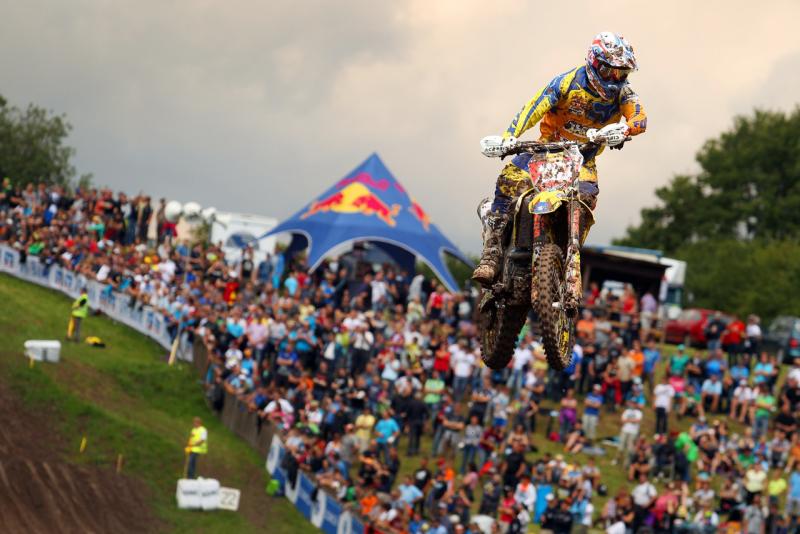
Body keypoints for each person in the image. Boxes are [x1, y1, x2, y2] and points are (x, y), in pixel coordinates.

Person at [472, 31, 647, 284]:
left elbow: (640, 118)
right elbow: (534, 107)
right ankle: (492, 253)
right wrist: (509, 136)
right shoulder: (566, 83)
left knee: (586, 198)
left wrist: (625, 130)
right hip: (545, 151)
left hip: (582, 160)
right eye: (610, 71)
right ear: (595, 63)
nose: (615, 78)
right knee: (508, 180)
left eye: (622, 73)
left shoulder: (623, 94)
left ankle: (568, 255)